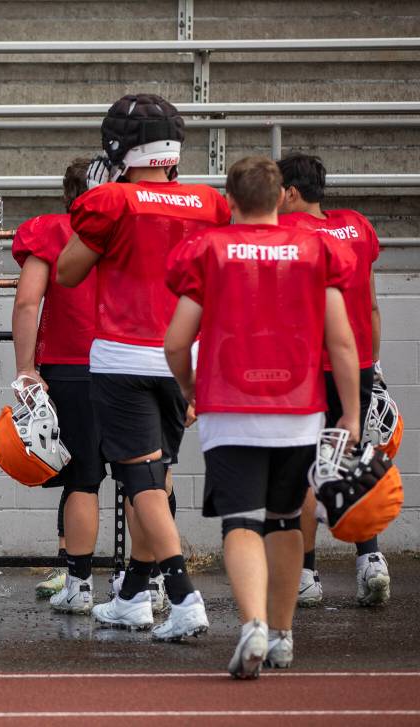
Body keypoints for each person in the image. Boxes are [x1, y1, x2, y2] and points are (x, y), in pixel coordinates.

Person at [165, 155, 360, 677]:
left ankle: (250, 624)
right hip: (299, 408)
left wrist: (189, 388)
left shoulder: (208, 250)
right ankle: (282, 634)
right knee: (285, 520)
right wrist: (353, 413)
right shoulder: (319, 248)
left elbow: (177, 341)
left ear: (230, 201)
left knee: (242, 523)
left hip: (230, 406)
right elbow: (342, 341)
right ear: (280, 198)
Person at [57, 93, 230, 640]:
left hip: (125, 353)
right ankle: (133, 593)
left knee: (142, 480)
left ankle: (182, 596)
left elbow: (67, 272)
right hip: (187, 351)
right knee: (155, 473)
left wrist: (101, 198)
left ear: (118, 147)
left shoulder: (110, 202)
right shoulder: (209, 203)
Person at [277, 153, 389, 607]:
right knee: (354, 458)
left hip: (309, 365)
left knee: (306, 469)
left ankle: (305, 572)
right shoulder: (357, 226)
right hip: (358, 361)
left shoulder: (287, 232)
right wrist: (375, 365)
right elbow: (375, 305)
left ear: (290, 192)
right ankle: (371, 559)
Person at [11, 157, 107, 613]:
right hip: (139, 360)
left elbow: (28, 302)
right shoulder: (139, 225)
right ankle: (151, 583)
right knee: (148, 480)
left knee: (83, 480)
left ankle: (79, 582)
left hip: (72, 365)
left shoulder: (50, 230)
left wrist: (26, 367)